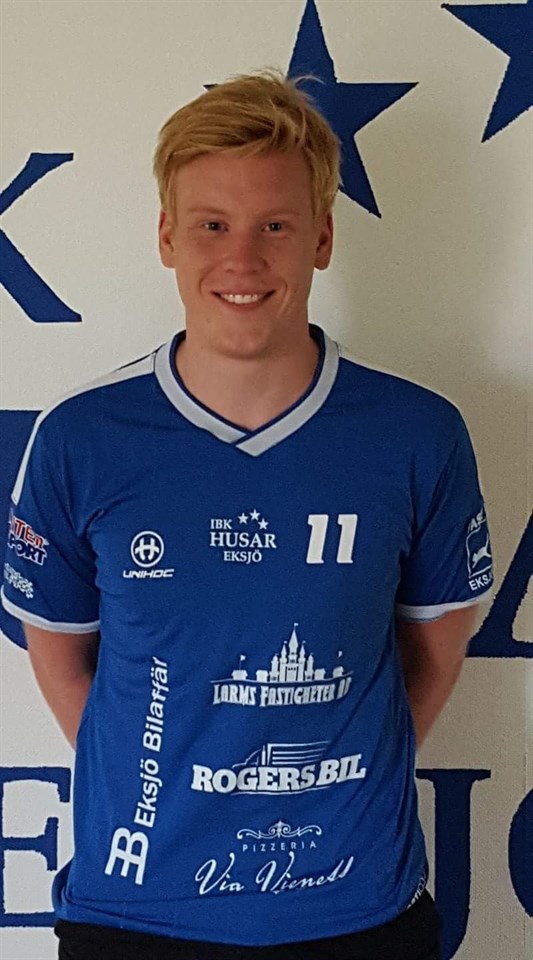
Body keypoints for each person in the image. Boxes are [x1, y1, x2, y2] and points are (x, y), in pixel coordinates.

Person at [1, 68, 494, 960]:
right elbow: (61, 658)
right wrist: (163, 788)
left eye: (274, 225)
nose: (242, 259)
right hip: (136, 919)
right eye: (212, 225)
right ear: (166, 236)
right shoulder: (83, 438)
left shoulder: (416, 434)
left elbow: (434, 648)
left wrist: (342, 784)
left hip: (358, 917)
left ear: (321, 238)